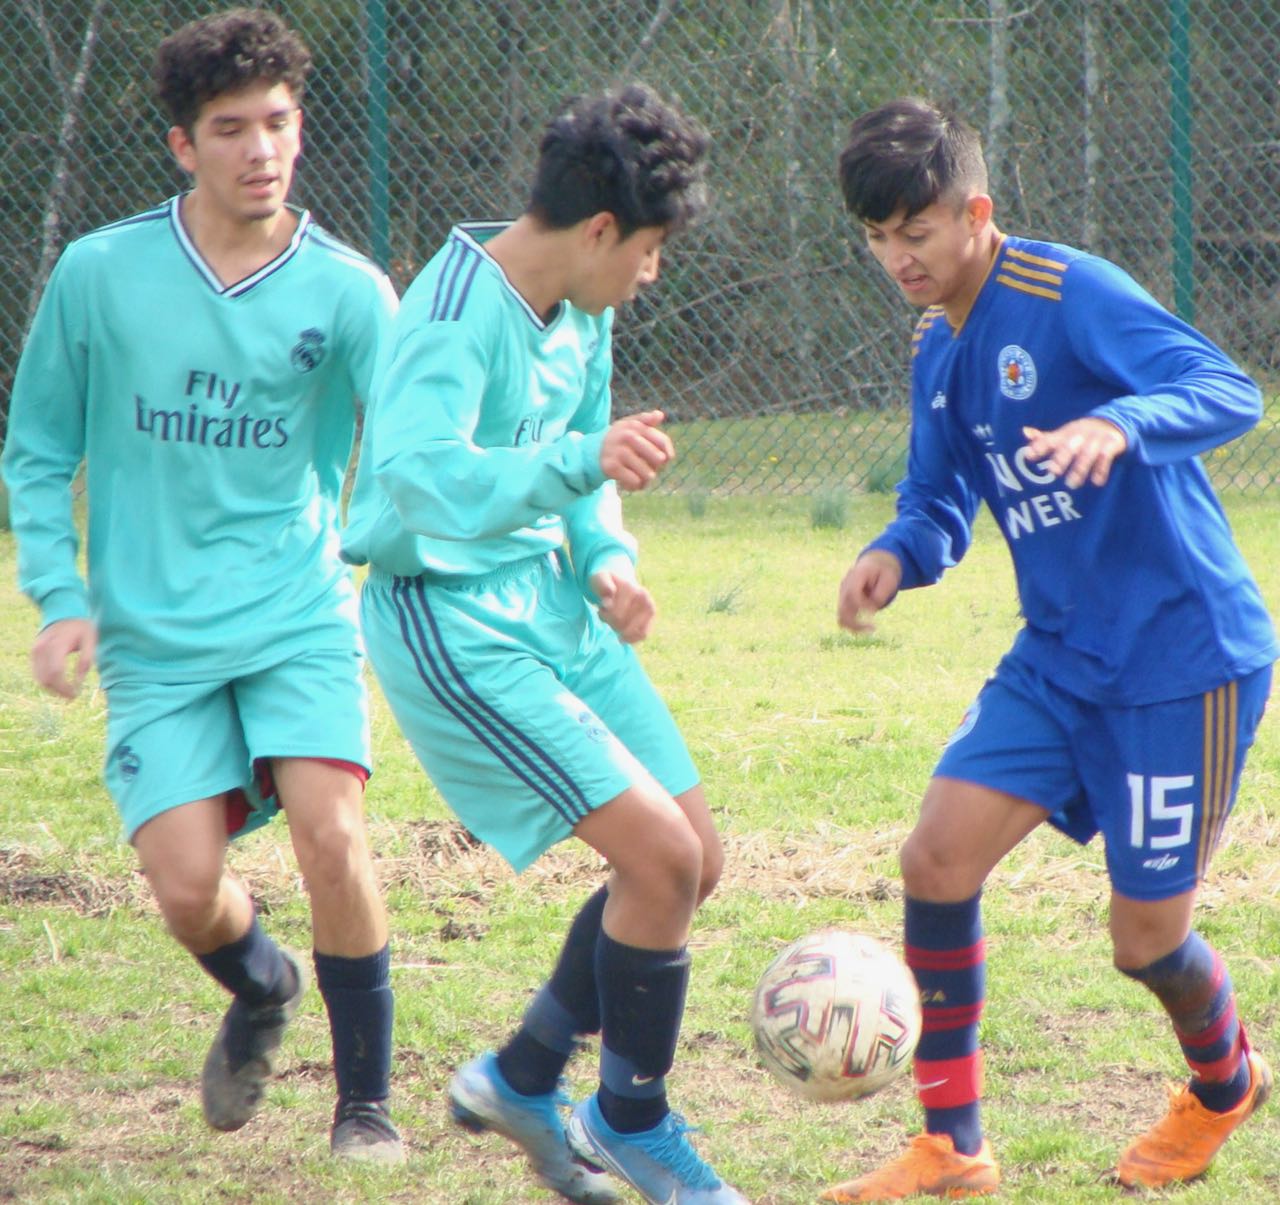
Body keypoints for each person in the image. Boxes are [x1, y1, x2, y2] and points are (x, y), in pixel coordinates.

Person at [824, 97, 1276, 1202]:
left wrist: (1121, 422)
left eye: (915, 231)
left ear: (975, 212)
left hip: (1181, 660)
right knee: (934, 858)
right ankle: (952, 1145)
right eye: (877, 238)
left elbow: (1229, 390)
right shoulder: (936, 346)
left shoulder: (1067, 293)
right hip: (1059, 658)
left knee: (1144, 943)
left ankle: (1225, 1084)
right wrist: (894, 552)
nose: (897, 258)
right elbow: (937, 497)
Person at [2, 7, 403, 1163]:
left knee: (332, 830)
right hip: (152, 636)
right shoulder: (100, 274)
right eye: (230, 128)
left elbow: (414, 443)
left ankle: (364, 1104)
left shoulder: (350, 292)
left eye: (277, 121)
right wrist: (59, 595)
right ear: (183, 145)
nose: (260, 149)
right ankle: (261, 980)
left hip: (295, 614)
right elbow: (37, 449)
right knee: (185, 888)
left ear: (299, 126)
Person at [340, 83, 746, 1204]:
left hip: (552, 601)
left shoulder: (581, 302)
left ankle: (521, 1077)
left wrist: (606, 557)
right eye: (651, 251)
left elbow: (583, 457)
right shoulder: (450, 312)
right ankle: (629, 1121)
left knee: (693, 860)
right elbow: (422, 482)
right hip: (451, 616)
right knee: (659, 859)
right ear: (601, 229)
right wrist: (578, 466)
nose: (651, 274)